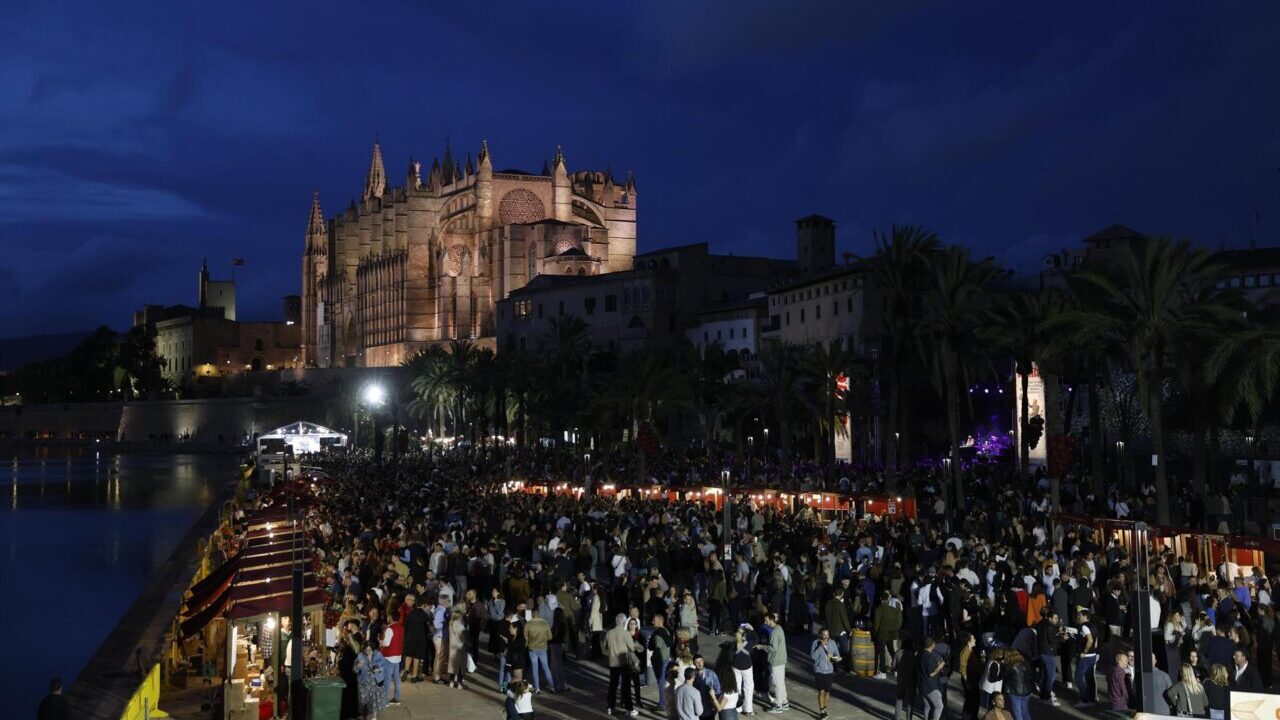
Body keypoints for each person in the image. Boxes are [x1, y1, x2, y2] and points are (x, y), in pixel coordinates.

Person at [606, 613, 640, 716]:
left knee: (612, 685)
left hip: (613, 662)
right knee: (626, 686)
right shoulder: (625, 634)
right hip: (624, 663)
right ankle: (629, 708)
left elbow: (606, 647)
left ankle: (610, 707)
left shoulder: (609, 633)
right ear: (625, 622)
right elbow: (632, 648)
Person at [353, 632, 390, 720]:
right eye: (366, 650)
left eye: (369, 650)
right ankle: (364, 716)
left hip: (375, 681)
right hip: (364, 681)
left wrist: (379, 669)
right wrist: (357, 667)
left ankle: (374, 717)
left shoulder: (377, 654)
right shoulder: (360, 655)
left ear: (372, 649)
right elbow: (354, 669)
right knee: (364, 700)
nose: (367, 652)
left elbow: (384, 665)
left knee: (374, 699)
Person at [810, 628, 840, 719]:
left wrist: (833, 659)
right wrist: (820, 647)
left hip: (829, 671)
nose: (826, 636)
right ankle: (822, 711)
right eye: (824, 634)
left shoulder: (833, 643)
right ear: (820, 635)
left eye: (827, 634)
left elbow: (837, 656)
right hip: (819, 670)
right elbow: (813, 656)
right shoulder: (815, 643)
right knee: (821, 691)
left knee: (827, 692)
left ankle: (825, 708)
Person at [761, 613, 788, 713]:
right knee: (781, 682)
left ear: (772, 620)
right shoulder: (779, 628)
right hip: (781, 660)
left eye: (767, 620)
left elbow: (773, 648)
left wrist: (762, 646)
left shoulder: (774, 632)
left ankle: (778, 705)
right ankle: (784, 702)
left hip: (776, 661)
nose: (765, 622)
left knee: (776, 684)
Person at [873, 590, 903, 678]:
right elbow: (899, 621)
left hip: (882, 633)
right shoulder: (893, 609)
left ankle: (882, 672)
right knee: (892, 651)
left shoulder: (879, 609)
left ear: (880, 599)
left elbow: (876, 623)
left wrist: (875, 632)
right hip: (892, 632)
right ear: (888, 598)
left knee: (881, 653)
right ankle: (896, 670)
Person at [730, 624, 756, 716]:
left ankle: (737, 708)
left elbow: (730, 657)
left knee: (737, 687)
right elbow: (756, 638)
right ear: (745, 635)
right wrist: (751, 629)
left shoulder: (733, 644)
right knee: (748, 688)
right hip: (747, 668)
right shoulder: (749, 643)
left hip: (736, 667)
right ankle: (748, 709)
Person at [525, 610, 554, 693]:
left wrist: (527, 645)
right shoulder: (545, 623)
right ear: (539, 615)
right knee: (546, 667)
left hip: (532, 649)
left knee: (535, 668)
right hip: (543, 648)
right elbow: (550, 637)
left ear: (532, 615)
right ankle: (551, 686)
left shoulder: (528, 624)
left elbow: (525, 637)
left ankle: (537, 688)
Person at [918, 637, 946, 720]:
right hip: (931, 687)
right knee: (939, 706)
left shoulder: (919, 654)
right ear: (932, 645)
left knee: (927, 706)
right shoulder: (930, 657)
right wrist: (939, 667)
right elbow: (931, 674)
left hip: (922, 685)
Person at [1000, 651, 1032, 720]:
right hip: (1027, 691)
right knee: (1025, 711)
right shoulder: (1025, 663)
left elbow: (1003, 676)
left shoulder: (1009, 666)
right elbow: (1030, 675)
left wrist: (1002, 665)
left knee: (1018, 714)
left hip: (1015, 692)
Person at [380, 611, 404, 704]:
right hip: (398, 656)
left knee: (387, 678)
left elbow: (386, 643)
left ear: (391, 617)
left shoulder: (390, 628)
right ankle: (397, 697)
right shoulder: (401, 627)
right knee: (396, 678)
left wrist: (381, 641)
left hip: (389, 656)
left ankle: (385, 700)